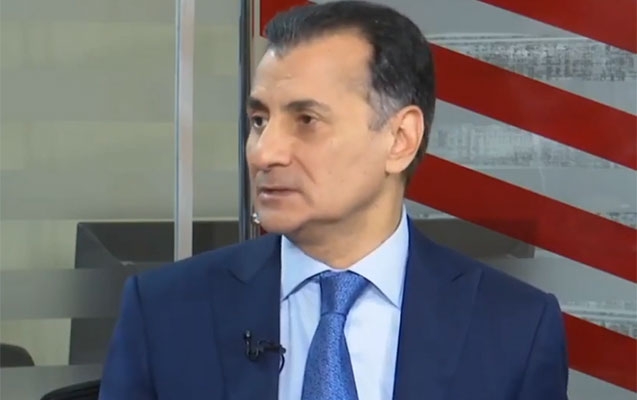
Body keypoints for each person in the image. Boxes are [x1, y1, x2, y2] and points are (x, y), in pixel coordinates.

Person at [98, 1, 569, 399]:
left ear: (400, 139)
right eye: (259, 120)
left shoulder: (515, 329)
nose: (264, 152)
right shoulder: (164, 314)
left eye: (306, 120)